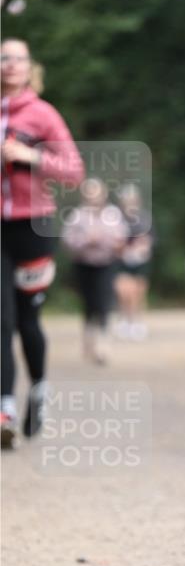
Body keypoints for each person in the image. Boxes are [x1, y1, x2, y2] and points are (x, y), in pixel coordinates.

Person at [1, 37, 84, 449]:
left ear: (29, 66)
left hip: (32, 225)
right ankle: (4, 409)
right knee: (1, 317)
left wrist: (28, 156)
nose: (10, 65)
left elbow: (73, 171)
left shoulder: (42, 114)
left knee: (25, 319)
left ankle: (37, 391)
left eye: (18, 58)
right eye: (3, 58)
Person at [62, 177, 128, 365]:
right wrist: (85, 241)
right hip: (84, 264)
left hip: (106, 264)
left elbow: (121, 238)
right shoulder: (77, 215)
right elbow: (67, 240)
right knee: (89, 304)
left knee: (104, 303)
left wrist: (109, 242)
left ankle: (103, 345)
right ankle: (88, 343)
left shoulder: (113, 214)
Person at [114, 182, 153, 341]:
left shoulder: (144, 218)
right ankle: (125, 320)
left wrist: (142, 246)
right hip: (122, 260)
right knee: (123, 292)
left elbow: (149, 239)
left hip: (140, 260)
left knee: (138, 293)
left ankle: (138, 322)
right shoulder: (116, 219)